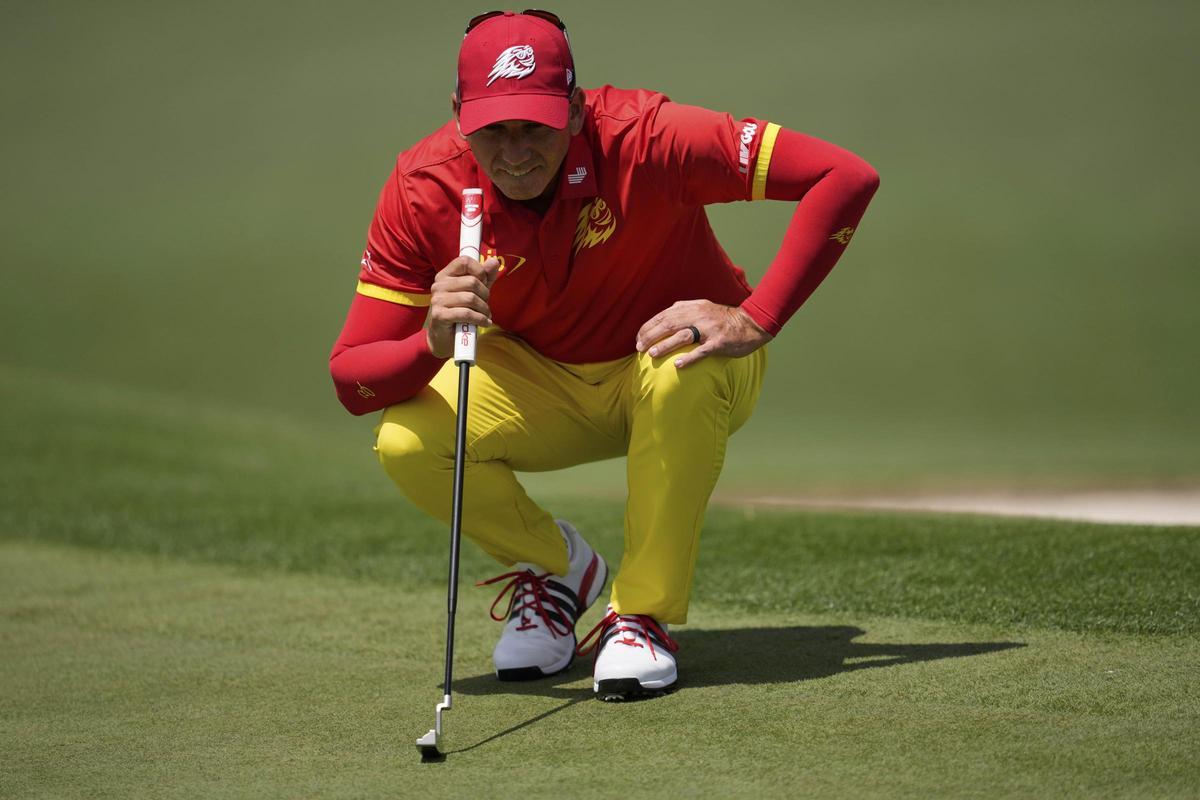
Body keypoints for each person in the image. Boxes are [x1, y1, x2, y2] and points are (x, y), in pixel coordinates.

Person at [330, 9, 878, 701]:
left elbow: (844, 175)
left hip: (682, 370)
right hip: (542, 384)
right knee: (407, 440)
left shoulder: (647, 137)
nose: (515, 152)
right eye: (492, 129)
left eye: (535, 126)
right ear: (458, 115)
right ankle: (559, 572)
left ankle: (640, 615)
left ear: (574, 108)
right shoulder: (424, 186)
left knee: (680, 363)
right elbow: (353, 380)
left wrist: (755, 317)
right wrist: (429, 343)